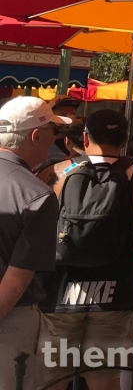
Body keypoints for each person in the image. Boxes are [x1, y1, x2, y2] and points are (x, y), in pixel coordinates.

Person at [39, 109, 133, 390]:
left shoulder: (58, 172)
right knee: (103, 378)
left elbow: (39, 231)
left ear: (85, 139)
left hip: (60, 291)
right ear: (124, 142)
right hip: (115, 291)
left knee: (53, 376)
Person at [0, 97, 67, 390]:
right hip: (10, 322)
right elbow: (16, 281)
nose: (56, 139)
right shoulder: (36, 194)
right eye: (54, 130)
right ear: (36, 135)